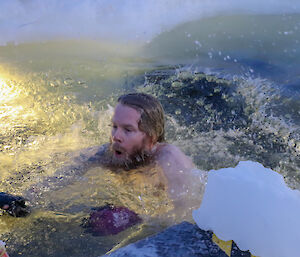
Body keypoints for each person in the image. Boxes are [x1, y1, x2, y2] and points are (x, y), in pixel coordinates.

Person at [1, 93, 205, 220]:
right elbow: (66, 174)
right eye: (114, 127)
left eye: (127, 130)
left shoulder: (169, 161)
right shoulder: (108, 153)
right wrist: (26, 201)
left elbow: (187, 215)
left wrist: (142, 219)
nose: (115, 136)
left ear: (151, 138)